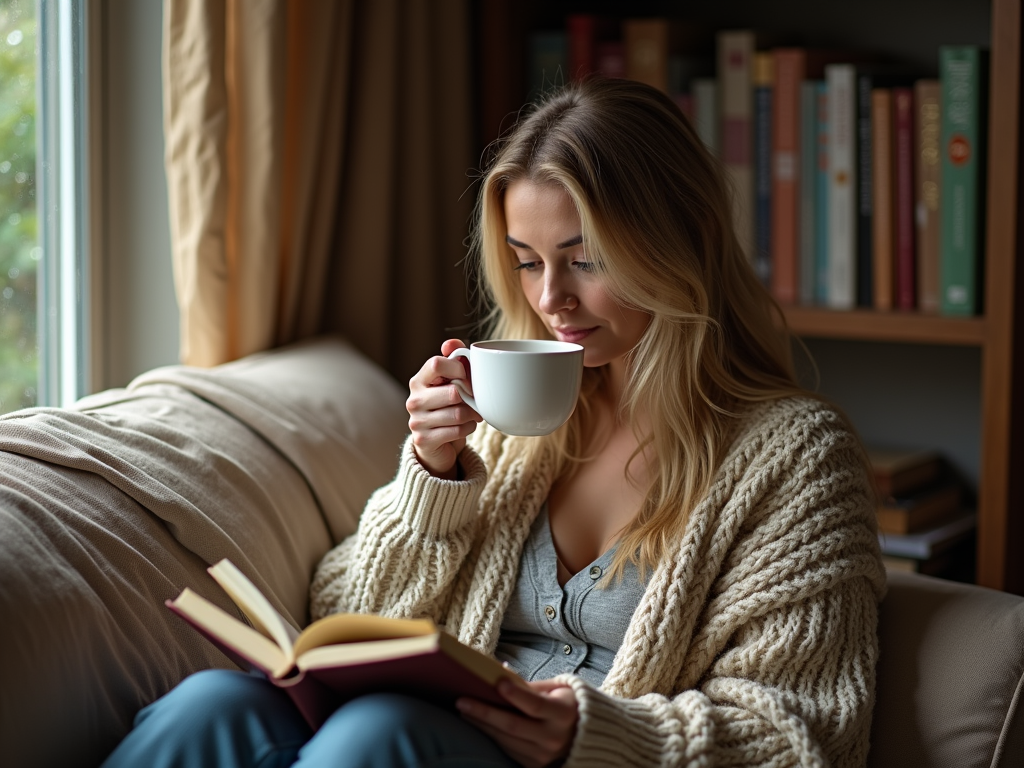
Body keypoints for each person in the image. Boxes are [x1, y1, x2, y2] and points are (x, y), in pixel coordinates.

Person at [102, 77, 886, 768]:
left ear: (680, 245)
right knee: (212, 706)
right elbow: (341, 618)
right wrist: (432, 482)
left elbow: (803, 735)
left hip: (551, 756)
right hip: (417, 731)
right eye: (526, 259)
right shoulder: (512, 426)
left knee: (380, 734)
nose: (551, 300)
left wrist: (598, 736)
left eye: (586, 259)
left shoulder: (796, 457)